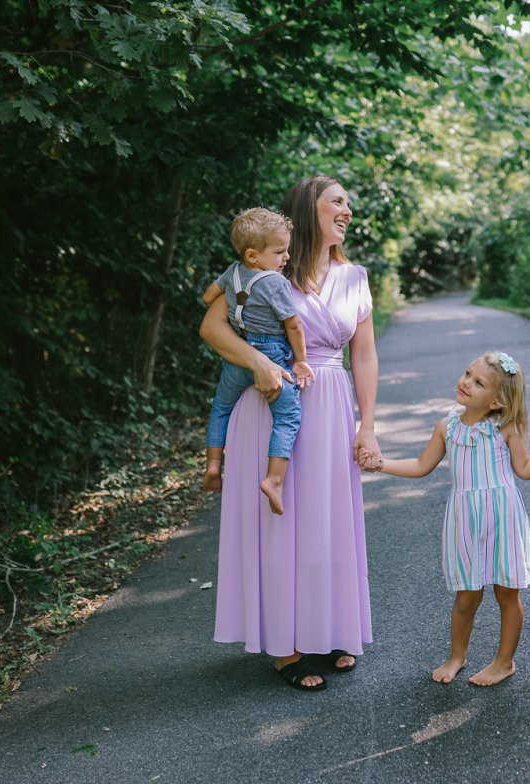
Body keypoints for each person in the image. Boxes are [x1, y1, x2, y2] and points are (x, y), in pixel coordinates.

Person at [200, 175, 381, 691]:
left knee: (327, 521)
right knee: (281, 525)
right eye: (337, 202)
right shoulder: (265, 269)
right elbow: (211, 328)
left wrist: (366, 426)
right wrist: (258, 361)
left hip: (330, 404)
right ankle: (286, 646)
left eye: (349, 201)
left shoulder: (355, 276)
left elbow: (363, 356)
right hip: (272, 402)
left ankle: (330, 628)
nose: (348, 210)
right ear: (309, 210)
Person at [361, 352, 530, 686]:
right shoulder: (448, 426)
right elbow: (421, 466)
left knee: (507, 594)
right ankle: (457, 656)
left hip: (502, 518)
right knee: (466, 596)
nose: (466, 382)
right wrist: (380, 464)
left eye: (478, 382)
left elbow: (524, 470)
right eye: (468, 373)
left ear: (497, 401)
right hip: (465, 521)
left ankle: (504, 661)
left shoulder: (505, 428)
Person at [199, 208, 315, 514]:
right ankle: (274, 480)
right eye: (279, 252)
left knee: (221, 407)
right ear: (253, 254)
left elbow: (208, 297)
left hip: (237, 358)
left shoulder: (232, 272)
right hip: (273, 354)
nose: (286, 258)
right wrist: (300, 360)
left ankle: (212, 466)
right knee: (287, 417)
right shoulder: (275, 283)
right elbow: (293, 325)